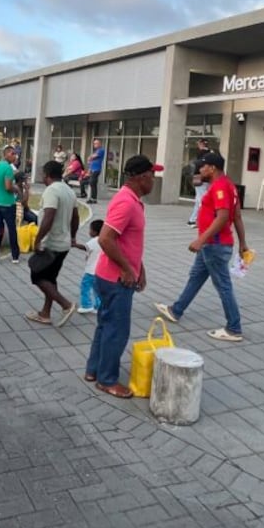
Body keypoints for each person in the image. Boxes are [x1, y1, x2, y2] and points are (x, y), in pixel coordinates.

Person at [86, 155, 160, 398]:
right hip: (115, 279)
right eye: (152, 176)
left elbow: (128, 242)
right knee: (117, 330)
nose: (154, 181)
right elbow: (106, 238)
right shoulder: (126, 202)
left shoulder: (133, 200)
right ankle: (107, 380)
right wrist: (128, 270)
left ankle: (94, 370)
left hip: (116, 274)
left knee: (105, 324)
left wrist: (139, 267)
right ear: (141, 178)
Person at [155, 152, 249, 343]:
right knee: (196, 277)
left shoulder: (221, 187)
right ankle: (176, 310)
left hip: (214, 245)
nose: (200, 169)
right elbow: (237, 216)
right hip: (213, 245)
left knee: (223, 286)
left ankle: (234, 328)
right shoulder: (229, 185)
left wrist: (201, 240)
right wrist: (243, 244)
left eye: (203, 166)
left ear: (212, 168)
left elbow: (223, 217)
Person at [25, 161, 81, 327]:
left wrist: (37, 240)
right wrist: (73, 237)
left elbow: (49, 216)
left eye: (43, 174)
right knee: (50, 278)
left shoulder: (51, 191)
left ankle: (66, 305)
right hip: (64, 244)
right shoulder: (69, 191)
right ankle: (45, 313)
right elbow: (76, 216)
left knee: (37, 276)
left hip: (51, 243)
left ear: (47, 175)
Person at [0, 144, 21, 265]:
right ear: (6, 154)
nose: (15, 156)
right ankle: (15, 256)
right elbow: (8, 187)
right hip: (7, 204)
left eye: (15, 154)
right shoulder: (8, 168)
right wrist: (16, 189)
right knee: (12, 229)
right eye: (12, 154)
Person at [75, 218, 105, 314]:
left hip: (91, 270)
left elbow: (85, 247)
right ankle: (99, 306)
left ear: (95, 231)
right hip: (100, 270)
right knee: (97, 289)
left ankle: (86, 305)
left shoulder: (95, 240)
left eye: (90, 229)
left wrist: (74, 244)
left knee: (85, 287)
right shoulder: (104, 239)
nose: (89, 231)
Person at [187, 138, 210, 226]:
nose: (198, 145)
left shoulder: (201, 153)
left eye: (199, 143)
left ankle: (196, 220)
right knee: (200, 200)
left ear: (202, 144)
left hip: (201, 179)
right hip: (206, 179)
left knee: (201, 200)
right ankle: (193, 220)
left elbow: (198, 166)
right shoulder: (210, 153)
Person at [85, 139, 106, 203]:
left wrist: (90, 157)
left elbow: (92, 157)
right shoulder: (96, 151)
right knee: (92, 183)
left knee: (92, 182)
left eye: (96, 143)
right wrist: (89, 170)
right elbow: (89, 160)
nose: (95, 145)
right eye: (94, 143)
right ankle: (92, 198)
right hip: (92, 169)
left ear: (100, 144)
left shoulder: (101, 150)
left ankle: (93, 198)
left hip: (97, 169)